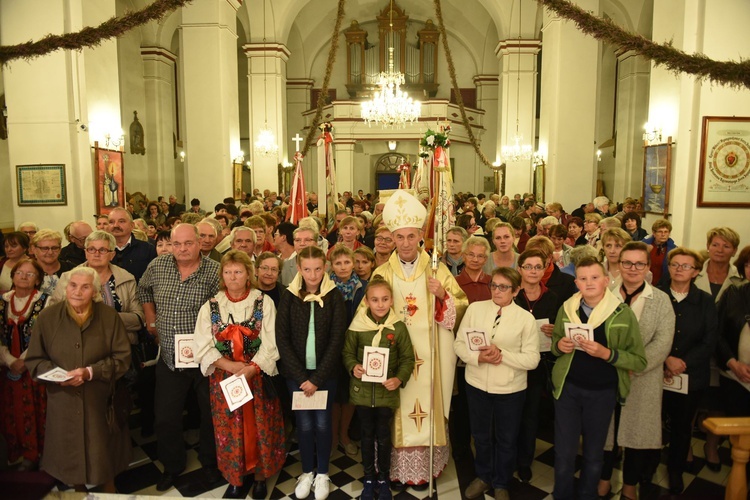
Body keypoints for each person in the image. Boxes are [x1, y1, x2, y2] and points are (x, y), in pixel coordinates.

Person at [375, 190, 468, 490]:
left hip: (431, 358)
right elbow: (371, 314)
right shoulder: (382, 272)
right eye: (398, 237)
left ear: (420, 237)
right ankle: (399, 469)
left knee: (428, 405)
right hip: (396, 358)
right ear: (391, 238)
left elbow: (460, 305)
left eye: (410, 236)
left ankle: (426, 468)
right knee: (398, 409)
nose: (404, 243)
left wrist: (442, 295)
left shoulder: (438, 270)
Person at [26, 267, 131, 492]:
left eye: (85, 287)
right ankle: (79, 490)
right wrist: (57, 377)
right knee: (70, 452)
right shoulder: (47, 318)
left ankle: (109, 490)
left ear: (94, 291)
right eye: (73, 285)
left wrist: (90, 372)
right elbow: (35, 360)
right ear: (65, 288)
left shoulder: (109, 317)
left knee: (105, 452)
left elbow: (122, 359)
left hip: (101, 400)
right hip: (62, 400)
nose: (77, 292)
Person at [550, 257, 646, 500]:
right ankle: (562, 494)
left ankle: (586, 495)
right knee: (564, 453)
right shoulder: (567, 307)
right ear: (576, 283)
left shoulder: (621, 313)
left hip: (601, 392)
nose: (589, 282)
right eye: (583, 278)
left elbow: (638, 360)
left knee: (594, 454)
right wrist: (560, 345)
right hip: (568, 389)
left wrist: (608, 354)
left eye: (594, 277)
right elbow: (555, 344)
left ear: (606, 280)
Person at [193, 250, 284, 499]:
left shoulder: (263, 302)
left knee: (260, 426)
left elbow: (272, 342)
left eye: (238, 272)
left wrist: (251, 369)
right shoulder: (212, 305)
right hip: (225, 379)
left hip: (257, 378)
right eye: (228, 272)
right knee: (229, 429)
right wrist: (230, 367)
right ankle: (235, 476)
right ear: (222, 275)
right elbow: (202, 345)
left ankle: (260, 476)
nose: (233, 277)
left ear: (248, 275)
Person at [137, 224, 222, 491]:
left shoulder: (214, 271)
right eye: (176, 244)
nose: (182, 249)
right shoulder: (158, 266)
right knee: (166, 416)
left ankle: (210, 462)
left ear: (199, 243)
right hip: (170, 357)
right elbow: (144, 291)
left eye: (187, 243)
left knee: (210, 415)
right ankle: (172, 466)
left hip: (206, 357)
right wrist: (151, 320)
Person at [597, 241, 675, 499]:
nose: (632, 268)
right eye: (626, 262)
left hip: (642, 378)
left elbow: (662, 343)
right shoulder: (604, 294)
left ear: (647, 266)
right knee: (606, 431)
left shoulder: (661, 300)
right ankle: (604, 478)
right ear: (619, 265)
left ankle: (630, 484)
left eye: (639, 263)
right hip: (607, 374)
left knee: (636, 435)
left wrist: (632, 367)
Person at [455, 267, 540, 500]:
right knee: (481, 436)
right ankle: (483, 477)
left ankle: (501, 481)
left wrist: (501, 354)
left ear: (515, 291)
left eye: (504, 287)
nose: (497, 291)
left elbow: (532, 359)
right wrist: (478, 357)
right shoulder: (475, 309)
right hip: (476, 384)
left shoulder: (525, 318)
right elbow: (459, 344)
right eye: (494, 285)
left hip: (510, 389)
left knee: (506, 438)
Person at [275, 245, 348, 500]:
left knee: (323, 422)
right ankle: (306, 471)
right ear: (299, 268)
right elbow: (281, 338)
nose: (313, 275)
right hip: (297, 375)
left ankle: (323, 473)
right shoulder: (289, 295)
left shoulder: (334, 296)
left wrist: (316, 379)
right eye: (307, 269)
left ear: (325, 267)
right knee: (304, 425)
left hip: (325, 374)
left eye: (318, 269)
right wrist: (301, 377)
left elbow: (337, 339)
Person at [342, 276, 415, 500]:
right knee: (365, 434)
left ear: (392, 300)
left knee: (383, 435)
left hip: (386, 393)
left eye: (384, 299)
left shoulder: (398, 327)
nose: (380, 304)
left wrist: (399, 379)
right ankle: (368, 478)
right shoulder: (357, 326)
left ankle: (383, 478)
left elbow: (407, 359)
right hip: (363, 393)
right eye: (375, 300)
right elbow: (347, 353)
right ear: (367, 301)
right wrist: (353, 366)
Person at [658, 247, 718, 494]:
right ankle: (645, 467)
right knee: (653, 423)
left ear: (696, 272)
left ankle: (675, 470)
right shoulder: (655, 294)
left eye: (686, 266)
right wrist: (665, 359)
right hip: (655, 371)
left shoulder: (705, 301)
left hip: (690, 375)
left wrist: (681, 362)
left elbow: (709, 339)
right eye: (675, 264)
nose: (679, 269)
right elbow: (643, 333)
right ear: (668, 267)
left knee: (683, 427)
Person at [514, 249, 560, 483]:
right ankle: (508, 456)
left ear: (545, 269)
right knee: (509, 415)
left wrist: (556, 331)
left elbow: (562, 333)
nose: (533, 271)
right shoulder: (511, 294)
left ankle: (524, 461)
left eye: (538, 267)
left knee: (530, 416)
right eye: (528, 266)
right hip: (511, 364)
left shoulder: (552, 298)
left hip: (537, 366)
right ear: (519, 268)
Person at [0, 258, 49, 471]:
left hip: (34, 368)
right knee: (10, 411)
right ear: (12, 276)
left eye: (30, 274)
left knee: (38, 412)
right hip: (6, 368)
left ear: (38, 279)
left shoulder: (45, 301)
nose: (24, 277)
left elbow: (44, 336)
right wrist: (10, 361)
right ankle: (16, 454)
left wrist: (24, 361)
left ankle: (38, 454)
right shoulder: (2, 301)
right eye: (20, 272)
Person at [328, 244, 363, 457]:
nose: (343, 267)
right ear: (331, 265)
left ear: (353, 264)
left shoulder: (362, 287)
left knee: (350, 393)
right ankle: (332, 437)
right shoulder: (325, 287)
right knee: (333, 393)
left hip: (355, 347)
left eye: (347, 262)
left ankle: (345, 435)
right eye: (338, 263)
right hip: (331, 346)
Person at [108, 207, 158, 281]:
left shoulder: (148, 250)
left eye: (121, 221)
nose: (115, 225)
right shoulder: (101, 250)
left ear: (132, 225)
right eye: (111, 222)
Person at [694, 227, 742, 301]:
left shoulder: (741, 278)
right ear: (708, 246)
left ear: (734, 251)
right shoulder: (693, 273)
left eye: (726, 246)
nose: (720, 250)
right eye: (715, 245)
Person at [30, 229, 75, 296]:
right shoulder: (27, 271)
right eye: (45, 248)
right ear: (34, 249)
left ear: (60, 249)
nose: (50, 252)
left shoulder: (72, 270)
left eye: (54, 248)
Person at [642, 218, 676, 286]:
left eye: (666, 232)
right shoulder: (644, 246)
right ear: (654, 233)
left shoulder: (673, 250)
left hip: (663, 285)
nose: (663, 234)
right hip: (644, 282)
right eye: (660, 232)